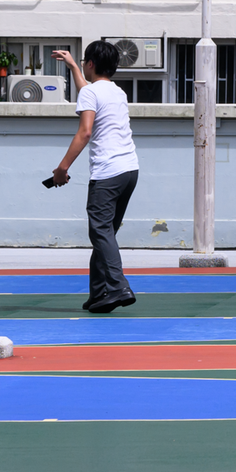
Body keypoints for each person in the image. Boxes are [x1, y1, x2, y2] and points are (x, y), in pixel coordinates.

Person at [48, 42, 140, 314]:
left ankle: (118, 287)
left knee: (100, 231)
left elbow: (85, 132)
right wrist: (74, 66)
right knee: (106, 233)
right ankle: (100, 293)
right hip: (129, 171)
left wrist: (61, 168)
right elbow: (88, 94)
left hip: (107, 173)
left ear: (91, 64)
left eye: (83, 61)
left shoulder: (90, 93)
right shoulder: (117, 92)